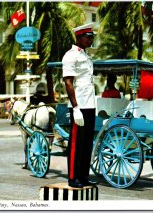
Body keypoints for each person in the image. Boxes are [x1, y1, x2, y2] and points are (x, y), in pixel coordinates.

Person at [62, 23, 98, 188]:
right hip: (79, 106)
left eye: (92, 37)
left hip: (89, 105)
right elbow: (68, 83)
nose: (91, 40)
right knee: (76, 143)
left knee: (87, 143)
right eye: (88, 37)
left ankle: (83, 176)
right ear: (79, 37)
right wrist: (75, 108)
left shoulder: (85, 56)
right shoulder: (70, 56)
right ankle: (73, 177)